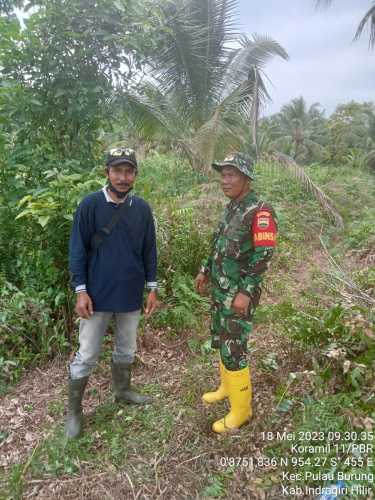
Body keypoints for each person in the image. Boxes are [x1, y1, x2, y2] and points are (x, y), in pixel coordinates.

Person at [66, 147, 157, 439]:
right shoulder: (90, 205)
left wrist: (152, 287)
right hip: (96, 295)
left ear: (135, 175)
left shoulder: (141, 209)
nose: (122, 177)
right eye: (117, 171)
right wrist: (81, 290)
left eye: (128, 171)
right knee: (87, 352)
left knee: (126, 348)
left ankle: (123, 391)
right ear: (107, 172)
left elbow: (149, 251)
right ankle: (75, 413)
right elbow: (77, 250)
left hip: (130, 293)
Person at [195, 152, 277, 434]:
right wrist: (204, 270)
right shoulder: (232, 207)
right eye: (223, 174)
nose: (224, 180)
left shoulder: (260, 211)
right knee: (221, 339)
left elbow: (264, 256)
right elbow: (217, 243)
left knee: (234, 346)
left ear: (246, 178)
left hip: (239, 294)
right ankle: (226, 388)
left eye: (231, 175)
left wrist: (245, 292)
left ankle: (242, 410)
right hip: (221, 289)